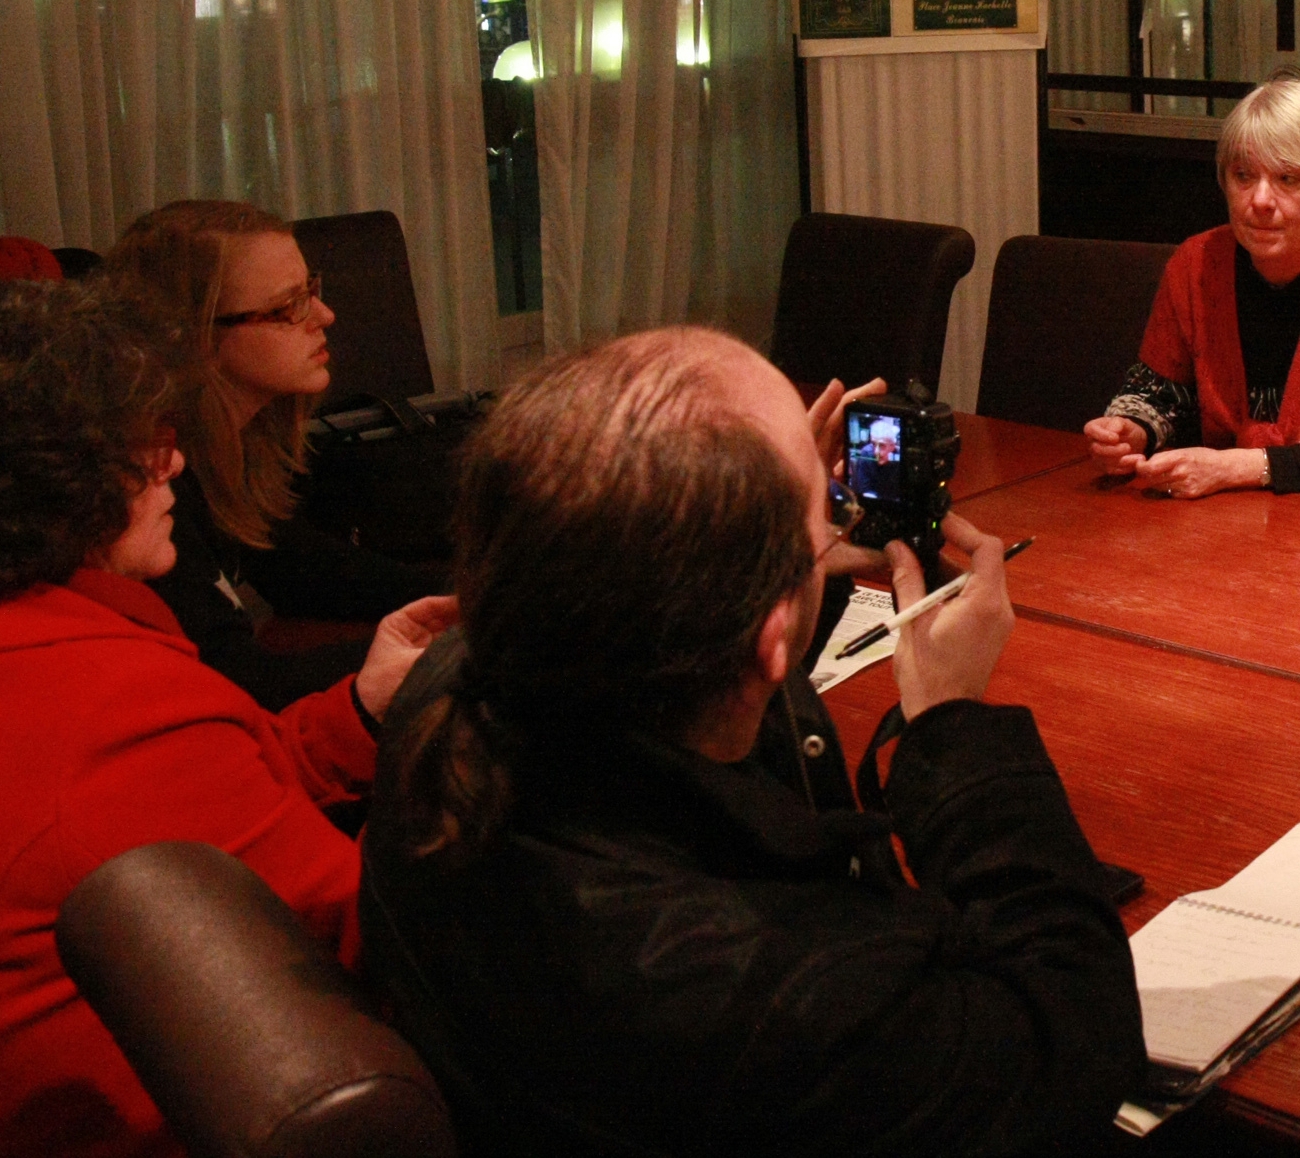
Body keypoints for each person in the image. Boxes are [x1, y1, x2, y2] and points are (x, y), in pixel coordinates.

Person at [359, 328, 1144, 1157]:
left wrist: (749, 530)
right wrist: (950, 725)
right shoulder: (781, 1001)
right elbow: (1073, 1044)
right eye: (826, 516)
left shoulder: (452, 691)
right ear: (769, 639)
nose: (837, 514)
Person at [0, 275, 454, 1157]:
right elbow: (386, 940)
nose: (176, 464)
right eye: (146, 442)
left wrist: (361, 708)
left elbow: (184, 800)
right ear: (49, 477)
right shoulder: (113, 708)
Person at [104, 199, 439, 707]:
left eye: (311, 290)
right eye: (288, 306)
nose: (325, 315)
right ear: (193, 337)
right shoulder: (147, 484)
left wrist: (465, 599)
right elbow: (237, 683)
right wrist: (447, 650)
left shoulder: (235, 442)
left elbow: (299, 568)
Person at [1086, 74, 1300, 496]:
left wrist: (1237, 467)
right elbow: (1154, 394)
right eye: (1244, 176)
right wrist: (1130, 429)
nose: (1261, 200)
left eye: (1288, 179)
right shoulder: (1194, 265)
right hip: (1221, 515)